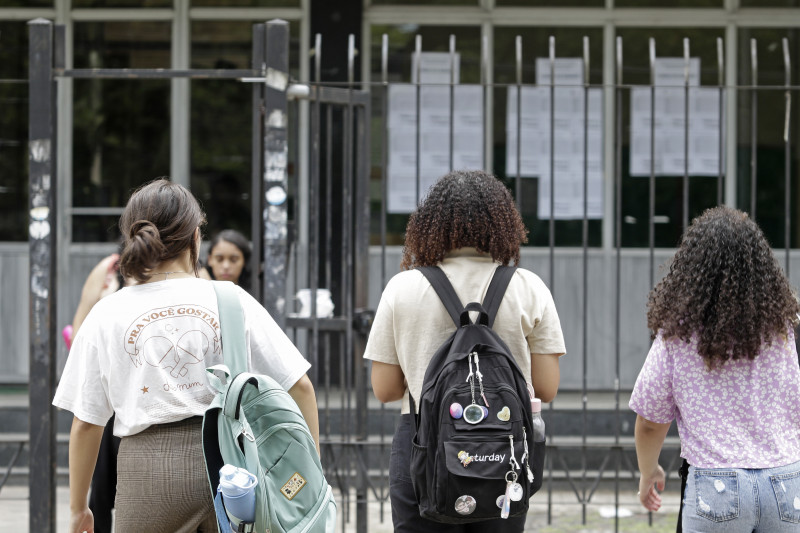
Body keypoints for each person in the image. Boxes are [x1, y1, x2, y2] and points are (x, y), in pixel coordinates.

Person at [53, 178, 320, 533]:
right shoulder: (231, 299)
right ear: (196, 237)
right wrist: (312, 472)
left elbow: (87, 422)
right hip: (230, 468)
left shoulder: (108, 312)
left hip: (146, 475)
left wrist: (78, 509)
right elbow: (300, 386)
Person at [363, 169, 566, 533]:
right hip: (502, 447)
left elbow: (385, 389)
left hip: (421, 442)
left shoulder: (402, 288)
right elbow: (546, 389)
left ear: (430, 225)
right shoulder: (528, 287)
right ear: (503, 223)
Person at [630, 206, 800, 533]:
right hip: (785, 483)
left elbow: (650, 422)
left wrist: (648, 472)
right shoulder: (786, 330)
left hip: (716, 486)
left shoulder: (677, 336)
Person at [62, 252, 129, 533]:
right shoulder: (109, 272)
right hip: (111, 398)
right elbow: (79, 334)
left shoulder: (184, 272)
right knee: (101, 487)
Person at [203, 229, 251, 293]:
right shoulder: (200, 289)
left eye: (233, 260)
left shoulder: (257, 292)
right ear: (210, 259)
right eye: (219, 259)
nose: (226, 266)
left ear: (244, 261)